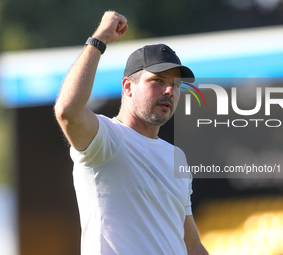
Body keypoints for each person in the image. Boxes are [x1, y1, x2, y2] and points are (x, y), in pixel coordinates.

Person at [54, 11, 209, 255]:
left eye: (176, 85)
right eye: (158, 80)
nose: (170, 90)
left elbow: (191, 244)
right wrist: (99, 39)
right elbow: (67, 112)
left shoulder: (176, 156)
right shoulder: (107, 138)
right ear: (128, 86)